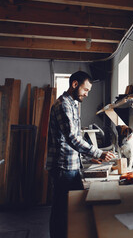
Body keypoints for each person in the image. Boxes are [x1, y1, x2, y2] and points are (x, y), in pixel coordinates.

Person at [46, 71, 115, 238]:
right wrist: (98, 152)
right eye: (85, 89)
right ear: (75, 84)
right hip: (64, 168)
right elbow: (71, 138)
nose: (87, 94)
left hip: (70, 166)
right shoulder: (63, 105)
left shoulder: (72, 105)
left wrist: (88, 156)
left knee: (71, 211)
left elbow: (71, 139)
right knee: (62, 212)